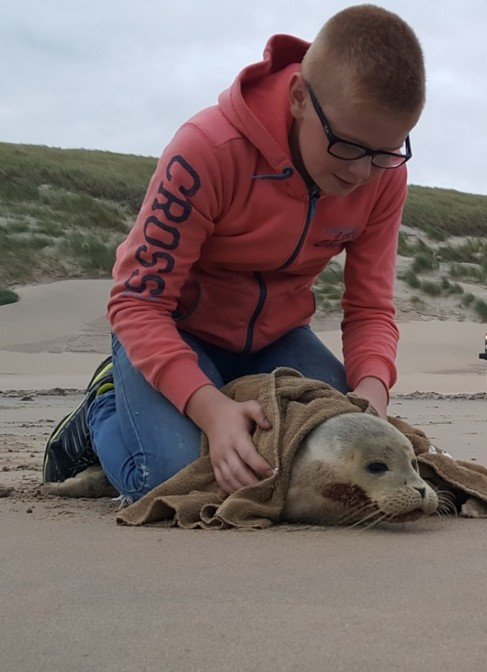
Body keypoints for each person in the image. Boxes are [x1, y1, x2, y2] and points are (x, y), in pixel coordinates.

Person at [42, 4, 426, 503]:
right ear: (297, 100)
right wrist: (211, 411)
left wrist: (372, 393)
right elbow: (136, 303)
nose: (362, 174)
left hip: (276, 341)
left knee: (323, 451)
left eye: (386, 153)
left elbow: (371, 309)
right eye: (348, 147)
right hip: (174, 331)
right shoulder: (207, 149)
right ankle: (102, 411)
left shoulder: (382, 177)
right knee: (178, 482)